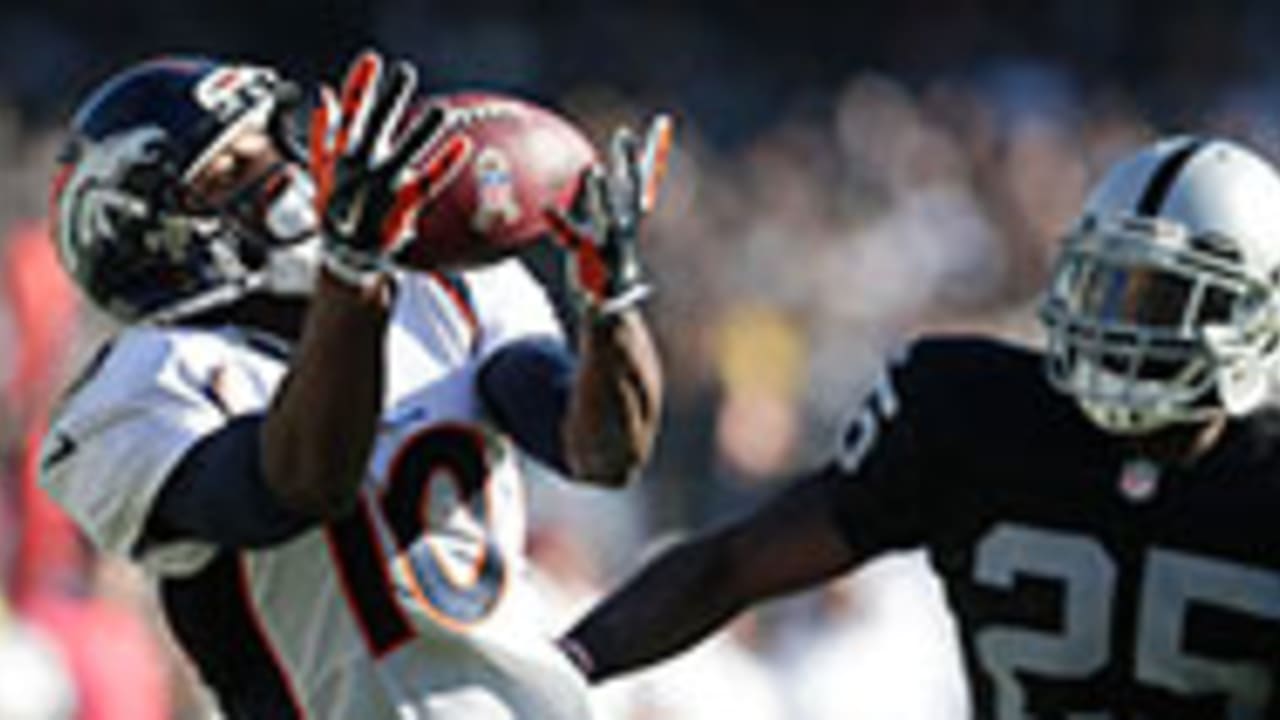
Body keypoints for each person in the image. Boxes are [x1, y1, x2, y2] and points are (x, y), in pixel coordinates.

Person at [40, 49, 669, 720]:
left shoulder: (444, 289)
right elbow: (300, 484)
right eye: (230, 172)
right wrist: (352, 273)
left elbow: (602, 453)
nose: (282, 176)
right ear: (145, 234)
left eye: (275, 144)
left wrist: (611, 307)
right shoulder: (138, 386)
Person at [560, 135, 1280, 718]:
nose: (1125, 331)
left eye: (1166, 303)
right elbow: (733, 565)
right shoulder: (973, 415)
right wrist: (564, 669)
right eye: (1111, 288)